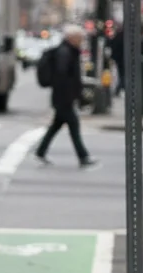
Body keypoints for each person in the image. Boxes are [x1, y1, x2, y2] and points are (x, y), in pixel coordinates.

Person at [36, 25, 97, 168]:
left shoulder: (69, 51)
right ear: (72, 38)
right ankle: (83, 156)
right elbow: (63, 77)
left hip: (63, 98)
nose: (81, 41)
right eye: (79, 38)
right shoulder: (65, 53)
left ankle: (41, 151)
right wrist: (73, 95)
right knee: (73, 125)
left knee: (56, 126)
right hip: (64, 98)